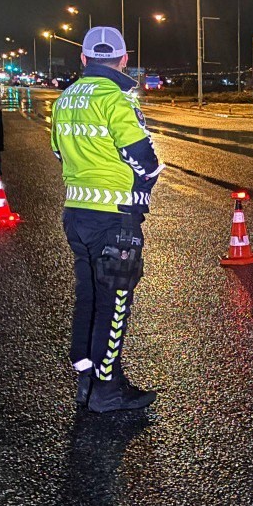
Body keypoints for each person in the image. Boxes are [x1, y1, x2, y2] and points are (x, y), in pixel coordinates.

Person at [51, 27, 163, 413]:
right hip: (114, 217)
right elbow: (144, 160)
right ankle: (107, 389)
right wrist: (141, 185)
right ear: (124, 60)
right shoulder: (116, 99)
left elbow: (58, 152)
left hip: (76, 214)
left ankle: (86, 375)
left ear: (83, 59)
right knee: (115, 304)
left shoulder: (64, 99)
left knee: (89, 295)